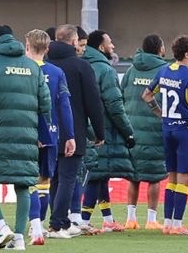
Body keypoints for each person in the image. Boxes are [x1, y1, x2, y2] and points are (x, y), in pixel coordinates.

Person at [0, 25, 49, 252]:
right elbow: (45, 103)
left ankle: (1, 226)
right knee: (24, 184)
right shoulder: (32, 66)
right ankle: (19, 238)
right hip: (27, 135)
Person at [47, 25, 106, 238]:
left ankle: (57, 221)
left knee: (54, 178)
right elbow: (94, 103)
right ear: (73, 42)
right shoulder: (81, 67)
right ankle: (58, 224)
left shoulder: (45, 64)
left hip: (47, 131)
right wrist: (99, 133)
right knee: (68, 178)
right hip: (73, 130)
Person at [145, 35, 188, 235]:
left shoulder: (163, 71)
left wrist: (160, 113)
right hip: (185, 130)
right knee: (183, 178)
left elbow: (146, 95)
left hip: (167, 129)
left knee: (171, 178)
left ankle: (168, 223)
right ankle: (178, 225)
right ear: (187, 54)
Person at [82, 31, 136, 234]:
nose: (113, 46)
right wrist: (128, 131)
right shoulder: (105, 70)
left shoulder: (83, 65)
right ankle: (84, 219)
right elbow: (115, 105)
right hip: (102, 129)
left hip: (84, 127)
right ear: (100, 47)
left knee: (100, 174)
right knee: (96, 175)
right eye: (109, 42)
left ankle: (108, 219)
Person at [29, 29, 73, 246]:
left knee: (27, 182)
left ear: (27, 46)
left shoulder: (21, 70)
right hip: (52, 132)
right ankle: (40, 225)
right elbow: (65, 105)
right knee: (44, 183)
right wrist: (70, 135)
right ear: (47, 49)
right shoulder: (56, 73)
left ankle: (33, 225)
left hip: (26, 133)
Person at [121, 35, 169, 231]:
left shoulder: (131, 70)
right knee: (154, 176)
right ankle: (151, 219)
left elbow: (122, 95)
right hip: (154, 129)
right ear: (160, 49)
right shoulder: (163, 70)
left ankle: (130, 219)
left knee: (133, 176)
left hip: (132, 128)